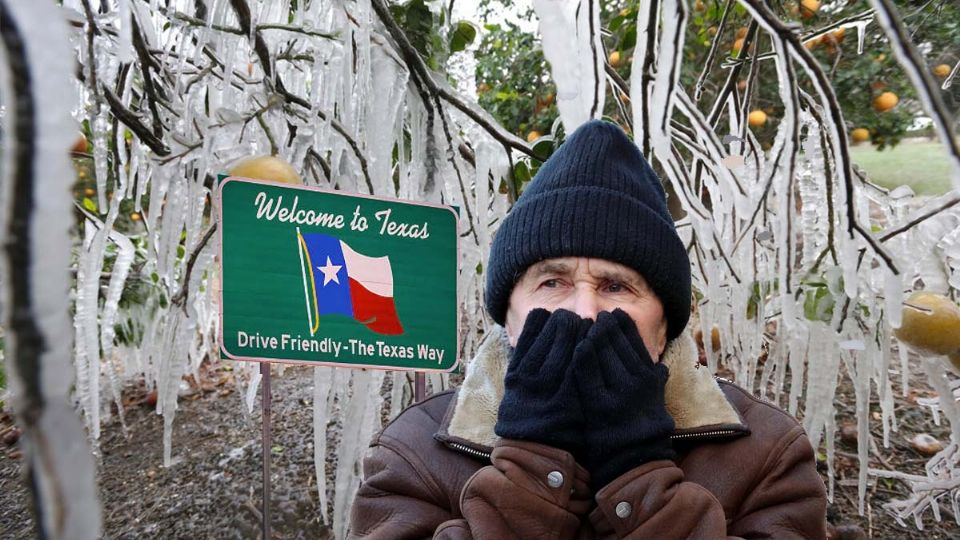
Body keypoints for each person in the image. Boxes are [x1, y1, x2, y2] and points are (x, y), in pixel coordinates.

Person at [348, 120, 827, 538]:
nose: (583, 311)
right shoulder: (414, 453)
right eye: (552, 282)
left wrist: (639, 479)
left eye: (616, 286)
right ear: (507, 314)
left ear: (666, 324)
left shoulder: (766, 454)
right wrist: (531, 469)